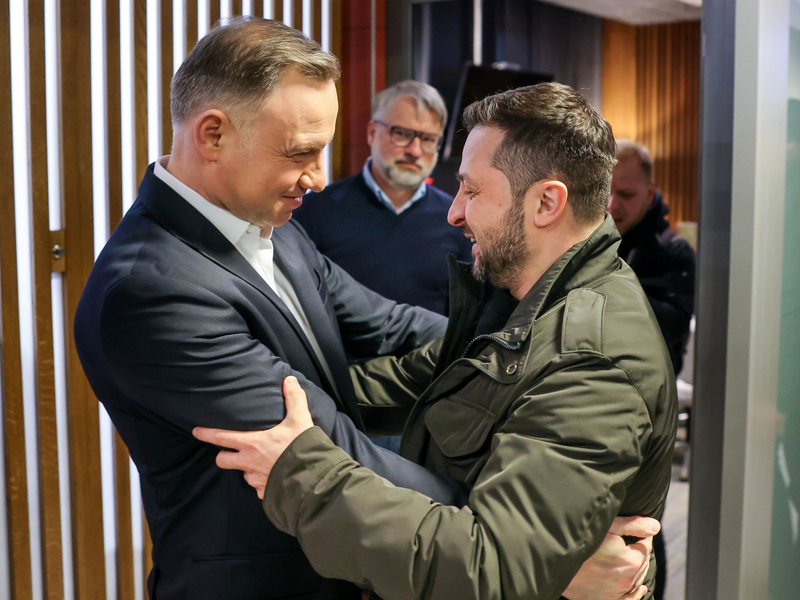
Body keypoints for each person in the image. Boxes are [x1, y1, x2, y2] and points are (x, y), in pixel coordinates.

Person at [74, 18, 654, 600]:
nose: (321, 178)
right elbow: (316, 441)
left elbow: (391, 326)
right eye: (302, 151)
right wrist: (539, 554)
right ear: (213, 135)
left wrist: (505, 361)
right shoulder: (148, 290)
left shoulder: (275, 227)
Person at [194, 82, 679, 599]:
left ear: (546, 203)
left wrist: (300, 472)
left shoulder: (589, 361)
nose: (455, 213)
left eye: (471, 191)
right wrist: (267, 397)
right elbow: (411, 379)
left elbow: (487, 567)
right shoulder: (518, 301)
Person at [293, 80, 472, 317]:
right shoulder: (314, 212)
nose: (415, 151)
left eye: (428, 139)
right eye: (402, 134)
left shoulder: (457, 220)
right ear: (371, 132)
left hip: (433, 353)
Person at [608, 140, 695, 375]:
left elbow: (674, 327)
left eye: (626, 195)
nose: (611, 204)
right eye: (605, 190)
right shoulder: (584, 242)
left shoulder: (675, 252)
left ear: (648, 195)